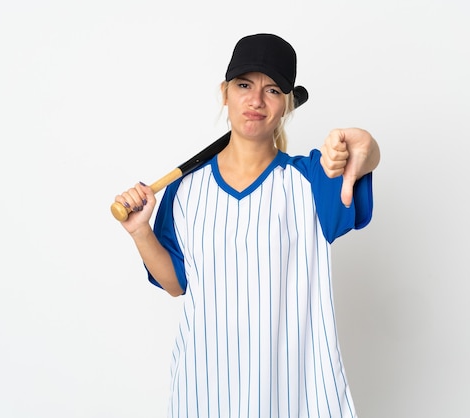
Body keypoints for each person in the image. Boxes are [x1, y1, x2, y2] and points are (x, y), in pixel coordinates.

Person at [114, 33, 380, 418]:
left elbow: (362, 156)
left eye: (272, 90)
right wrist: (140, 230)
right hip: (205, 388)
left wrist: (367, 144)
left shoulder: (312, 180)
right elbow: (176, 282)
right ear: (224, 92)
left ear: (287, 104)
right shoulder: (184, 190)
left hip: (296, 393)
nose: (256, 100)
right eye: (244, 85)